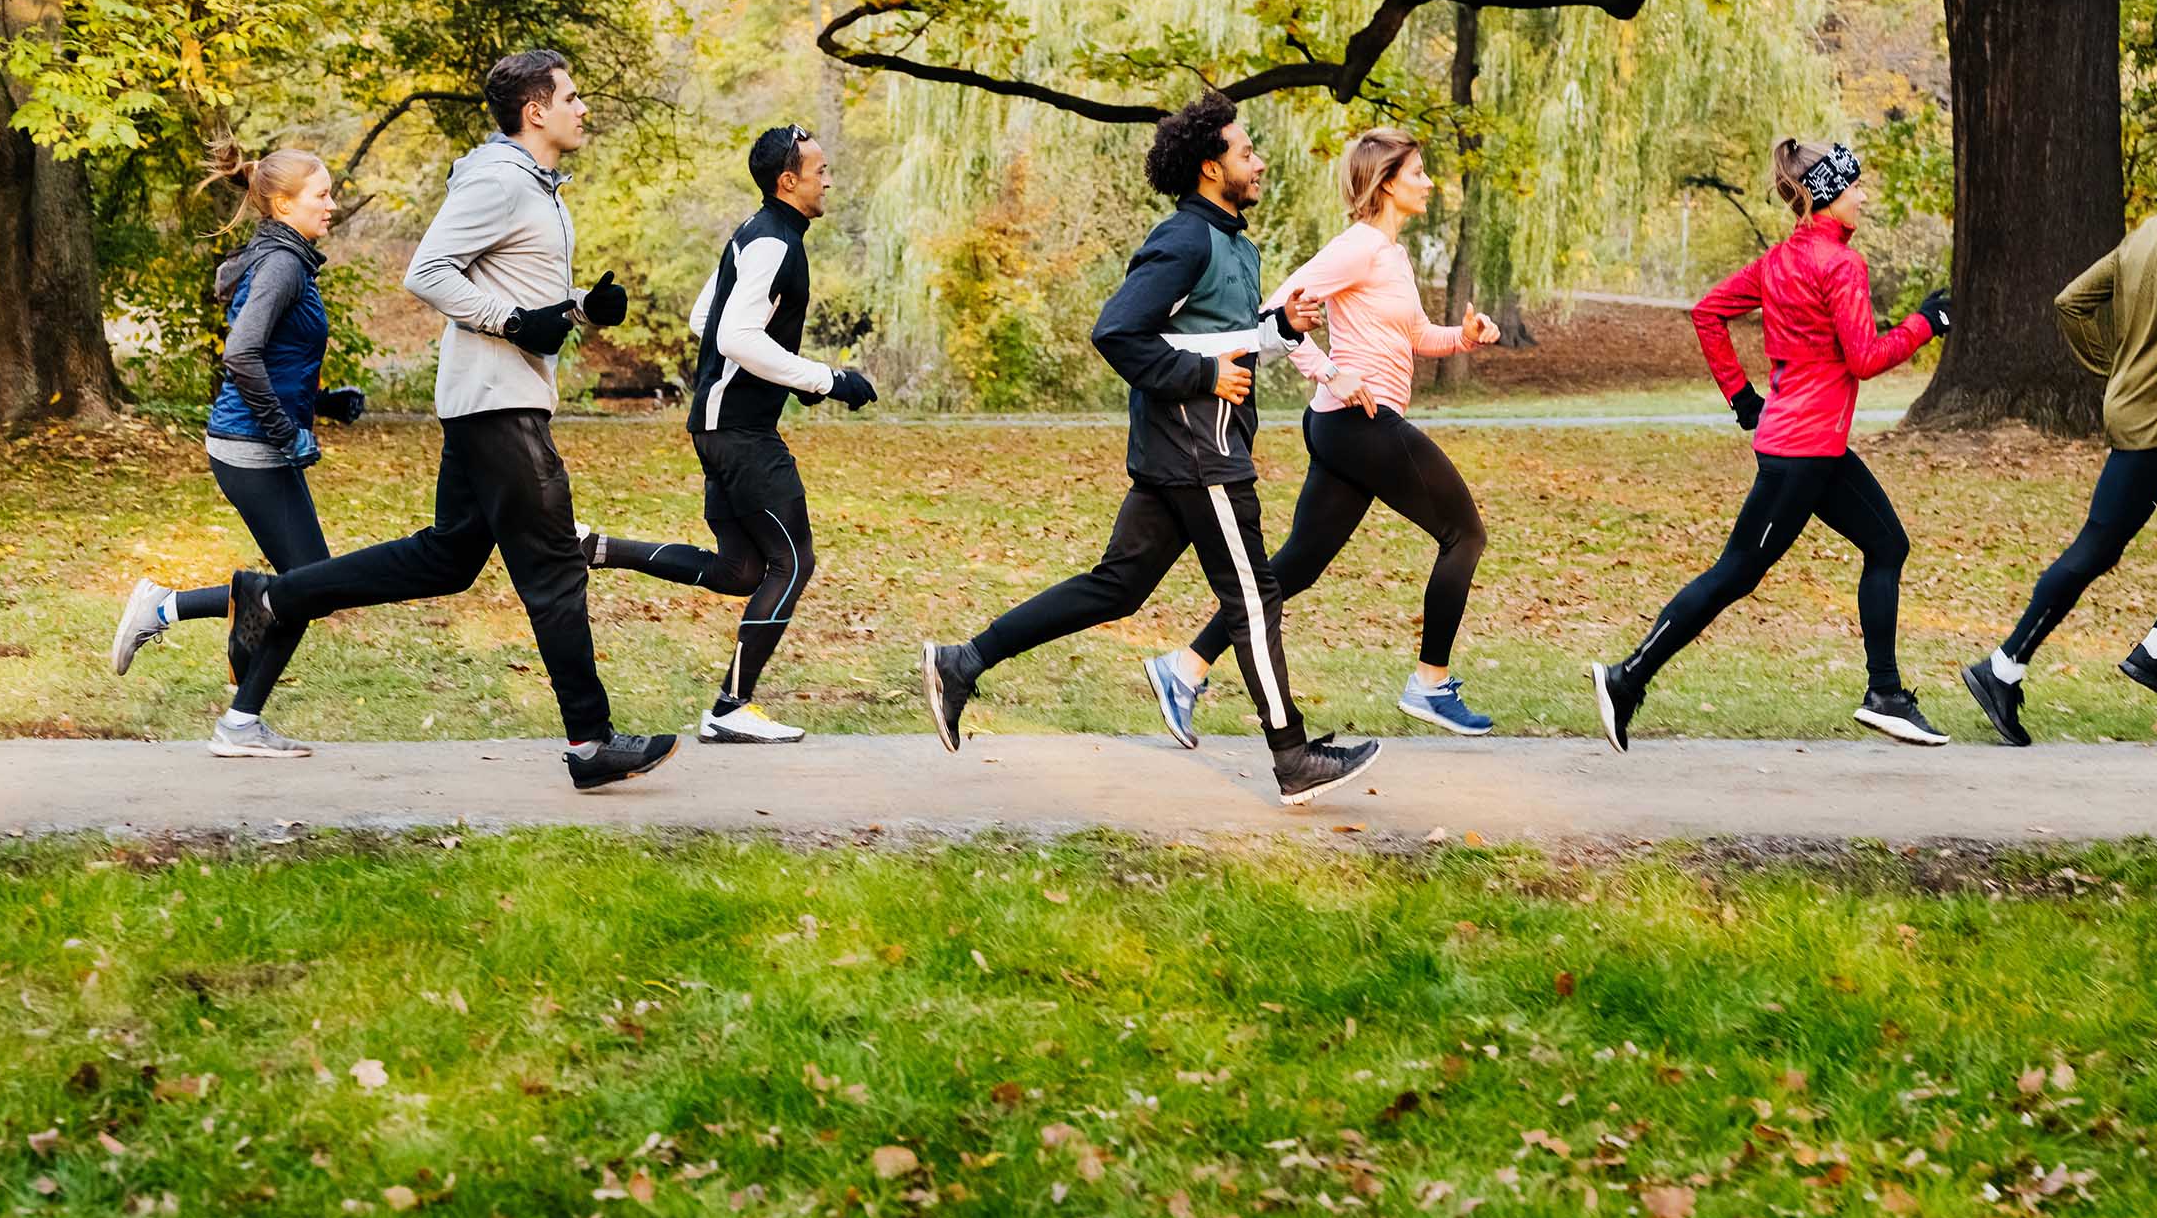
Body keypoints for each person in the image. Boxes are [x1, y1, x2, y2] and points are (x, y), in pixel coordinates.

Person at [222, 49, 677, 789]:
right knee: (556, 566)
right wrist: (511, 321)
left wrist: (580, 311)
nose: (583, 107)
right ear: (536, 110)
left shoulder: (536, 185)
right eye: (572, 96)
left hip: (499, 396)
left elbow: (522, 305)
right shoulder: (499, 179)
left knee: (445, 559)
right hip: (498, 403)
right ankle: (592, 745)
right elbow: (428, 271)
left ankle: (273, 598)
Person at [918, 94, 1381, 807]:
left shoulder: (1235, 243)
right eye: (1245, 152)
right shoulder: (1184, 239)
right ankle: (1293, 758)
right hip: (1202, 454)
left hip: (1188, 451)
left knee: (1118, 587)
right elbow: (1119, 332)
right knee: (1252, 600)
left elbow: (1216, 333)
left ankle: (962, 661)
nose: (1258, 163)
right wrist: (1199, 376)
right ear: (1209, 168)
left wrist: (1279, 329)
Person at [1589, 137, 1952, 754]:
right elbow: (1864, 359)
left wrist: (1743, 399)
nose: (1864, 195)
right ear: (1830, 194)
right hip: (1801, 455)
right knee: (1736, 573)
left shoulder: (1780, 260)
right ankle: (1627, 678)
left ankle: (1886, 695)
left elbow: (1708, 313)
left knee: (1887, 544)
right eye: (1857, 186)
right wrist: (1924, 324)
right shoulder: (1841, 265)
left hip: (1808, 447)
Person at [1152, 126, 1503, 740]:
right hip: (1358, 423)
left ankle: (1183, 668)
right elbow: (1275, 310)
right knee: (1464, 534)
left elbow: (1417, 337)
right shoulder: (1359, 246)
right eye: (1417, 172)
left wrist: (1467, 338)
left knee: (1296, 566)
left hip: (1350, 428)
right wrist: (1332, 372)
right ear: (1387, 181)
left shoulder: (1391, 255)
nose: (1428, 182)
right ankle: (1430, 685)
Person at [1959, 132, 2157, 747]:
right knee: (2097, 550)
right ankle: (2001, 669)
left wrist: (2117, 367)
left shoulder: (2147, 234)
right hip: (2153, 426)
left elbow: (2071, 302)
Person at [579, 124, 877, 742]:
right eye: (820, 170)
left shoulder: (755, 232)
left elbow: (703, 317)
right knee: (793, 564)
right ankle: (731, 708)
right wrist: (825, 379)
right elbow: (734, 335)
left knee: (742, 570)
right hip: (740, 432)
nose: (830, 179)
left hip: (717, 426)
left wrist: (773, 376)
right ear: (787, 181)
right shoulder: (775, 245)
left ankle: (600, 549)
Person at [106, 143, 371, 753]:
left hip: (255, 442)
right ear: (282, 204)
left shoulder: (287, 258)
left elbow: (275, 358)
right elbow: (240, 355)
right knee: (310, 586)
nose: (332, 204)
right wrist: (287, 432)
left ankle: (233, 709)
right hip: (250, 446)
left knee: (307, 586)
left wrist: (323, 405)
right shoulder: (281, 263)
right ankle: (175, 624)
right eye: (321, 194)